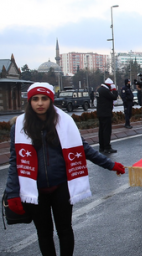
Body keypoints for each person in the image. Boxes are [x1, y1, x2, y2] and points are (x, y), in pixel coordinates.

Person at [5, 83, 125, 255]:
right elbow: (15, 161)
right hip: (34, 189)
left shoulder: (65, 123)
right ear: (29, 101)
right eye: (35, 99)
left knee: (64, 230)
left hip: (61, 186)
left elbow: (83, 149)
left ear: (51, 100)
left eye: (44, 98)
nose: (40, 103)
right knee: (44, 233)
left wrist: (110, 164)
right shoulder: (18, 127)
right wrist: (12, 193)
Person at [96, 78, 118, 154]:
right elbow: (114, 97)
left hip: (100, 113)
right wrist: (115, 90)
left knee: (101, 130)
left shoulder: (99, 90)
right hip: (106, 113)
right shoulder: (105, 91)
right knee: (106, 131)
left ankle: (101, 147)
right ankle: (107, 147)